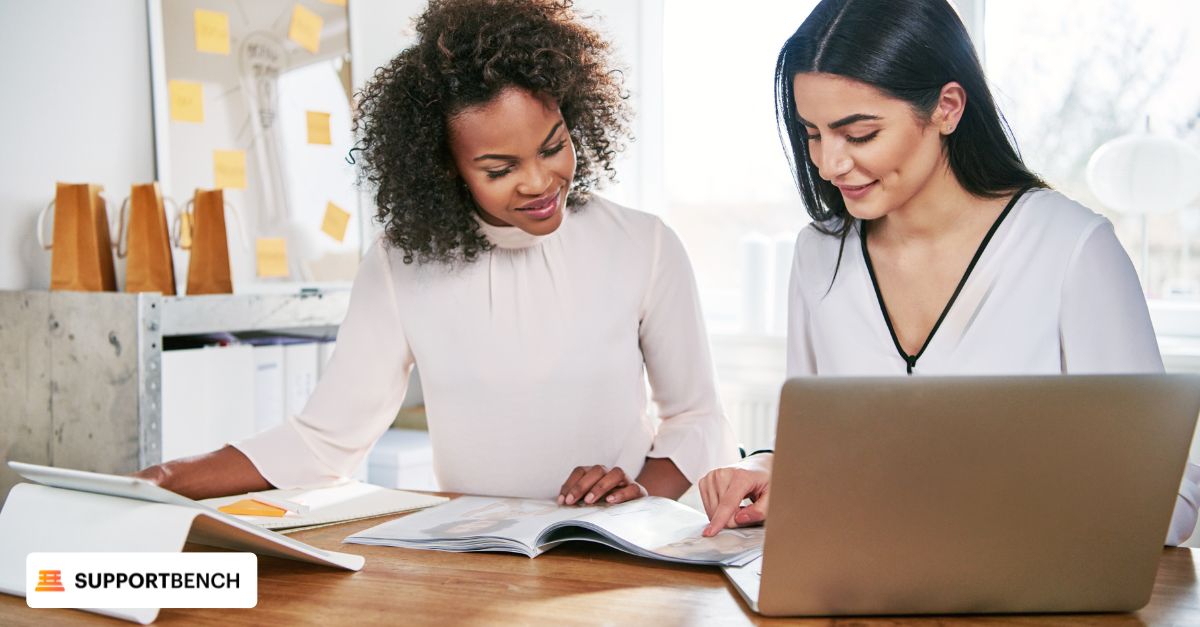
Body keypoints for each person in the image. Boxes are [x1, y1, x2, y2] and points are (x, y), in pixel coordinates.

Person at [137, 0, 737, 507]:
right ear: (445, 169)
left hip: (613, 558)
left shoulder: (644, 245)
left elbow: (697, 419)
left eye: (554, 147)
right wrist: (167, 478)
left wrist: (634, 498)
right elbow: (324, 442)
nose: (539, 181)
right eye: (500, 169)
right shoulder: (400, 265)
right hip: (477, 563)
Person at [699, 0, 1200, 545]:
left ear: (947, 108)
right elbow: (816, 451)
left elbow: (1168, 495)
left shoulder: (1072, 248)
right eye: (813, 133)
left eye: (859, 134)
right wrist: (773, 470)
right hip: (861, 593)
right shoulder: (818, 253)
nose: (828, 163)